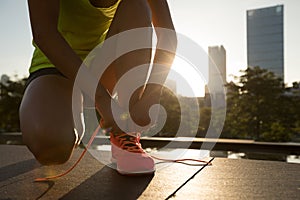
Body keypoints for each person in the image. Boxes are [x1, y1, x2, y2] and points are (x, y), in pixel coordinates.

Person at [20, 0, 176, 175]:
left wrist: (152, 95)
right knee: (51, 145)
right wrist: (102, 100)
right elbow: (44, 33)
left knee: (136, 4)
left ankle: (125, 134)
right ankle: (71, 118)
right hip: (55, 67)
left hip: (100, 68)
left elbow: (167, 35)